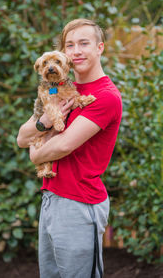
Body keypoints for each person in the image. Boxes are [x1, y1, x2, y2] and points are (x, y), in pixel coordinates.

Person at [17, 18, 122, 278]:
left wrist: (34, 154)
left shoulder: (105, 95)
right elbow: (21, 136)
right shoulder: (58, 88)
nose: (76, 51)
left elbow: (62, 145)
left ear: (100, 48)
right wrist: (43, 123)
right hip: (52, 197)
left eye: (83, 43)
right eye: (69, 45)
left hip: (80, 203)